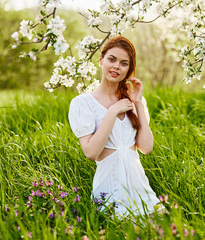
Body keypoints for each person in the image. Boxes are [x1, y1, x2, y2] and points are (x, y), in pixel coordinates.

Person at [68, 36, 161, 217]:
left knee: (165, 230)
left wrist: (139, 103)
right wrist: (112, 112)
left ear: (129, 69)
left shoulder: (133, 102)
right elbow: (91, 152)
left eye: (124, 63)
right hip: (109, 186)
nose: (117, 66)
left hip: (138, 184)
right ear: (101, 60)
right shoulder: (83, 103)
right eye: (112, 59)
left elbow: (146, 148)